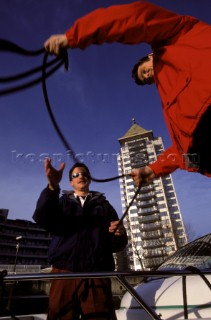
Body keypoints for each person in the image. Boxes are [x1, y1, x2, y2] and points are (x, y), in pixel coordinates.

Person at [43, 1, 211, 187]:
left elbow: (136, 16)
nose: (148, 78)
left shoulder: (177, 36)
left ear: (149, 56)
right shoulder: (172, 106)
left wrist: (74, 36)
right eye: (146, 81)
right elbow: (183, 151)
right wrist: (152, 169)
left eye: (144, 71)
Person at [33, 159, 128, 320]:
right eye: (76, 175)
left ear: (89, 179)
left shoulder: (105, 206)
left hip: (96, 274)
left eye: (84, 174)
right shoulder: (61, 203)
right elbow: (41, 217)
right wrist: (52, 188)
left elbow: (116, 244)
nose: (81, 176)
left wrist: (120, 233)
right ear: (71, 182)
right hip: (63, 273)